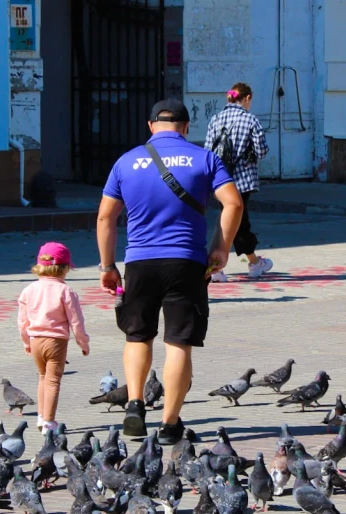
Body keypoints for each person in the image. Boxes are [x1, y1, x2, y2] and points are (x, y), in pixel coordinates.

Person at [96, 98, 243, 444]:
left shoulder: (126, 162)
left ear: (150, 126)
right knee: (178, 343)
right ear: (186, 127)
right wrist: (220, 247)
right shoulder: (205, 159)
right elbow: (234, 203)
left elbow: (106, 217)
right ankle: (169, 424)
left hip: (140, 263)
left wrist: (107, 266)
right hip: (187, 262)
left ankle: (134, 404)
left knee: (137, 335)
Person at [17, 241, 90, 432]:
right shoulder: (66, 291)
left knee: (42, 378)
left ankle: (41, 417)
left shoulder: (28, 290)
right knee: (53, 381)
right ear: (64, 268)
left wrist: (26, 342)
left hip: (35, 339)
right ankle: (49, 421)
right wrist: (83, 343)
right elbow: (76, 322)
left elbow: (22, 321)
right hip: (56, 341)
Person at [204, 82, 271, 282]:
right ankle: (219, 265)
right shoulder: (250, 120)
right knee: (234, 223)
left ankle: (253, 262)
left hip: (219, 179)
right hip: (242, 181)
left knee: (235, 221)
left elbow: (208, 151)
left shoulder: (216, 119)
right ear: (247, 98)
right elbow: (262, 151)